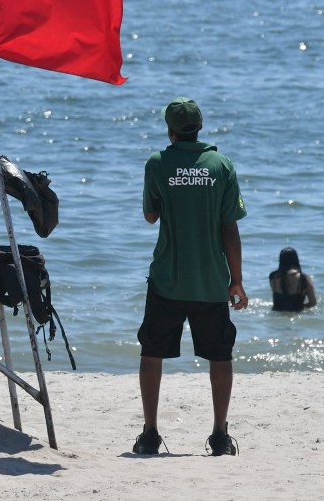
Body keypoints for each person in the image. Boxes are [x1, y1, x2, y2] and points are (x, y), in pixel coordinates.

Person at [135, 97, 248, 457]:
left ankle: (150, 433)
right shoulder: (221, 165)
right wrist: (237, 280)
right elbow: (230, 229)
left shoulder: (157, 163)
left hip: (168, 277)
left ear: (170, 130)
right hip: (211, 280)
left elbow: (150, 216)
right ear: (199, 127)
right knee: (220, 356)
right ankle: (219, 435)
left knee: (152, 352)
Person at [268, 247, 317, 311]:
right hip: (297, 314)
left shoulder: (274, 277)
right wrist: (302, 306)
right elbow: (313, 303)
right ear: (296, 260)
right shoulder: (304, 278)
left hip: (276, 313)